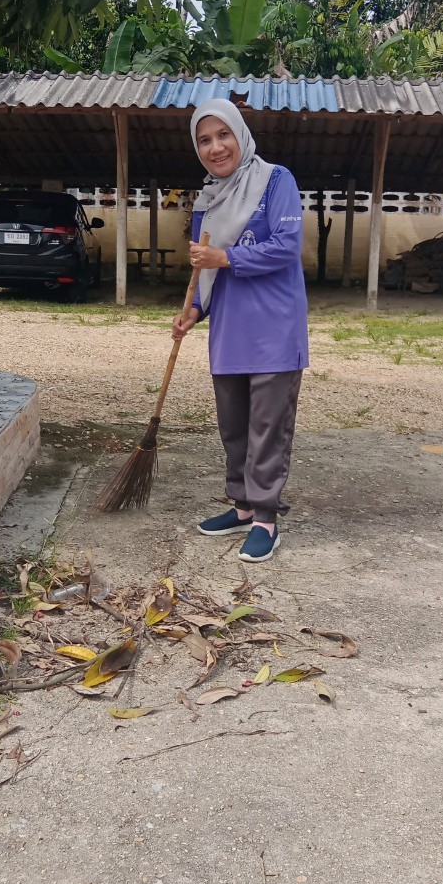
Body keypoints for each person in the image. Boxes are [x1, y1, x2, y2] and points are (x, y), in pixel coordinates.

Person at [171, 100, 308, 563]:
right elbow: (203, 268)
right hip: (229, 329)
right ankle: (244, 506)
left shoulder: (276, 180)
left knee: (267, 427)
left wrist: (227, 257)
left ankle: (266, 518)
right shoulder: (207, 200)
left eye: (223, 135)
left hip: (274, 328)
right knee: (233, 425)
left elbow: (286, 247)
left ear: (240, 135)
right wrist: (193, 309)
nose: (215, 147)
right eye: (204, 140)